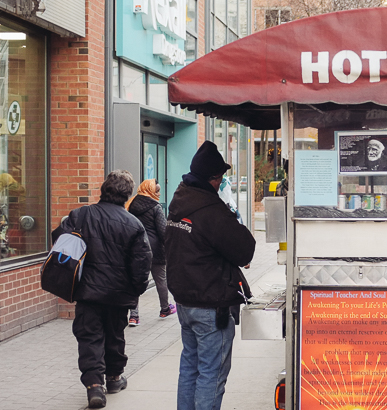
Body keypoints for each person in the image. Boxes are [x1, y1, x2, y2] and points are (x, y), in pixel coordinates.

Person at [165, 141, 256, 410]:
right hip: (210, 304)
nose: (220, 184)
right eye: (219, 178)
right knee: (211, 374)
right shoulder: (211, 210)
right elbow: (245, 249)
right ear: (212, 178)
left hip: (185, 301)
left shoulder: (179, 202)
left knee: (190, 367)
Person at [52, 170, 152, 408]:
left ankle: (95, 385)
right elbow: (142, 262)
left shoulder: (81, 215)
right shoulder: (133, 224)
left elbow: (59, 239)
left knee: (90, 337)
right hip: (118, 294)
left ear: (104, 190)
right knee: (115, 336)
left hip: (87, 292)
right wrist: (136, 290)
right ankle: (114, 378)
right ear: (127, 195)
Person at [126, 179, 175, 326]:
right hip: (154, 249)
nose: (158, 194)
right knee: (161, 279)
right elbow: (163, 231)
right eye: (157, 191)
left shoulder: (131, 204)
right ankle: (165, 309)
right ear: (150, 190)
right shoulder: (155, 206)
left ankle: (134, 316)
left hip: (136, 248)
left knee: (135, 280)